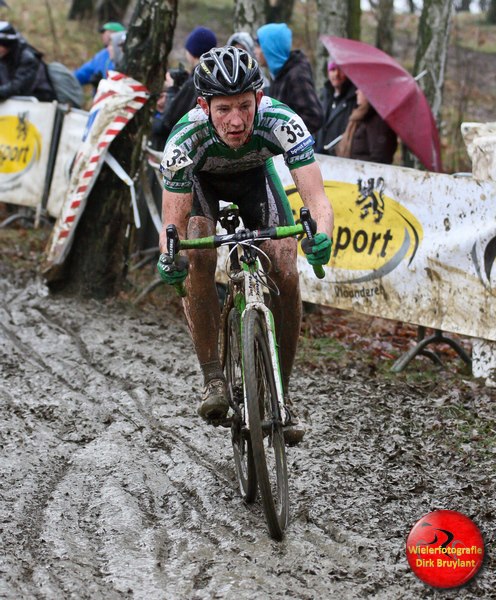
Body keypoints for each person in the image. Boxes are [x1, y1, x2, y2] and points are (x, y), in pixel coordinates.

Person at [156, 47, 334, 444]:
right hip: (201, 183)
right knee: (197, 255)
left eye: (244, 106)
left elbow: (317, 199)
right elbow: (172, 226)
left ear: (259, 98)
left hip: (256, 179)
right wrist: (170, 258)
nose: (236, 121)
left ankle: (282, 396)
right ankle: (213, 379)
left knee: (285, 267)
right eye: (223, 109)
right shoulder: (184, 139)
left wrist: (321, 234)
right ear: (204, 106)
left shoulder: (281, 120)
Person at [152, 26, 217, 150]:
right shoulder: (212, 76)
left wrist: (172, 89)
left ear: (192, 52)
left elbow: (171, 120)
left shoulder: (196, 81)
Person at [254, 23, 323, 136]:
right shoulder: (279, 74)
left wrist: (283, 136)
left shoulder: (296, 75)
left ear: (270, 47)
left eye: (258, 45)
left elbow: (314, 116)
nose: (255, 51)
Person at [335, 88, 398, 164]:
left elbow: (379, 159)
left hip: (362, 170)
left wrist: (357, 164)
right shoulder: (360, 116)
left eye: (360, 89)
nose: (356, 92)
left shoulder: (377, 121)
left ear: (370, 94)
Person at [0, 21, 56, 102]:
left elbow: (17, 87)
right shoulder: (4, 57)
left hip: (40, 101)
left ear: (6, 44)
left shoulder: (27, 58)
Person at [315, 61, 357, 155]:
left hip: (339, 157)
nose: (336, 74)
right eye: (333, 69)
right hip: (318, 155)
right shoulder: (323, 95)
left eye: (340, 70)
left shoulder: (354, 99)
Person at [74, 21, 125, 92]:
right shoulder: (102, 54)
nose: (102, 35)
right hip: (100, 97)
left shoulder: (125, 54)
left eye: (104, 32)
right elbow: (83, 73)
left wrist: (103, 82)